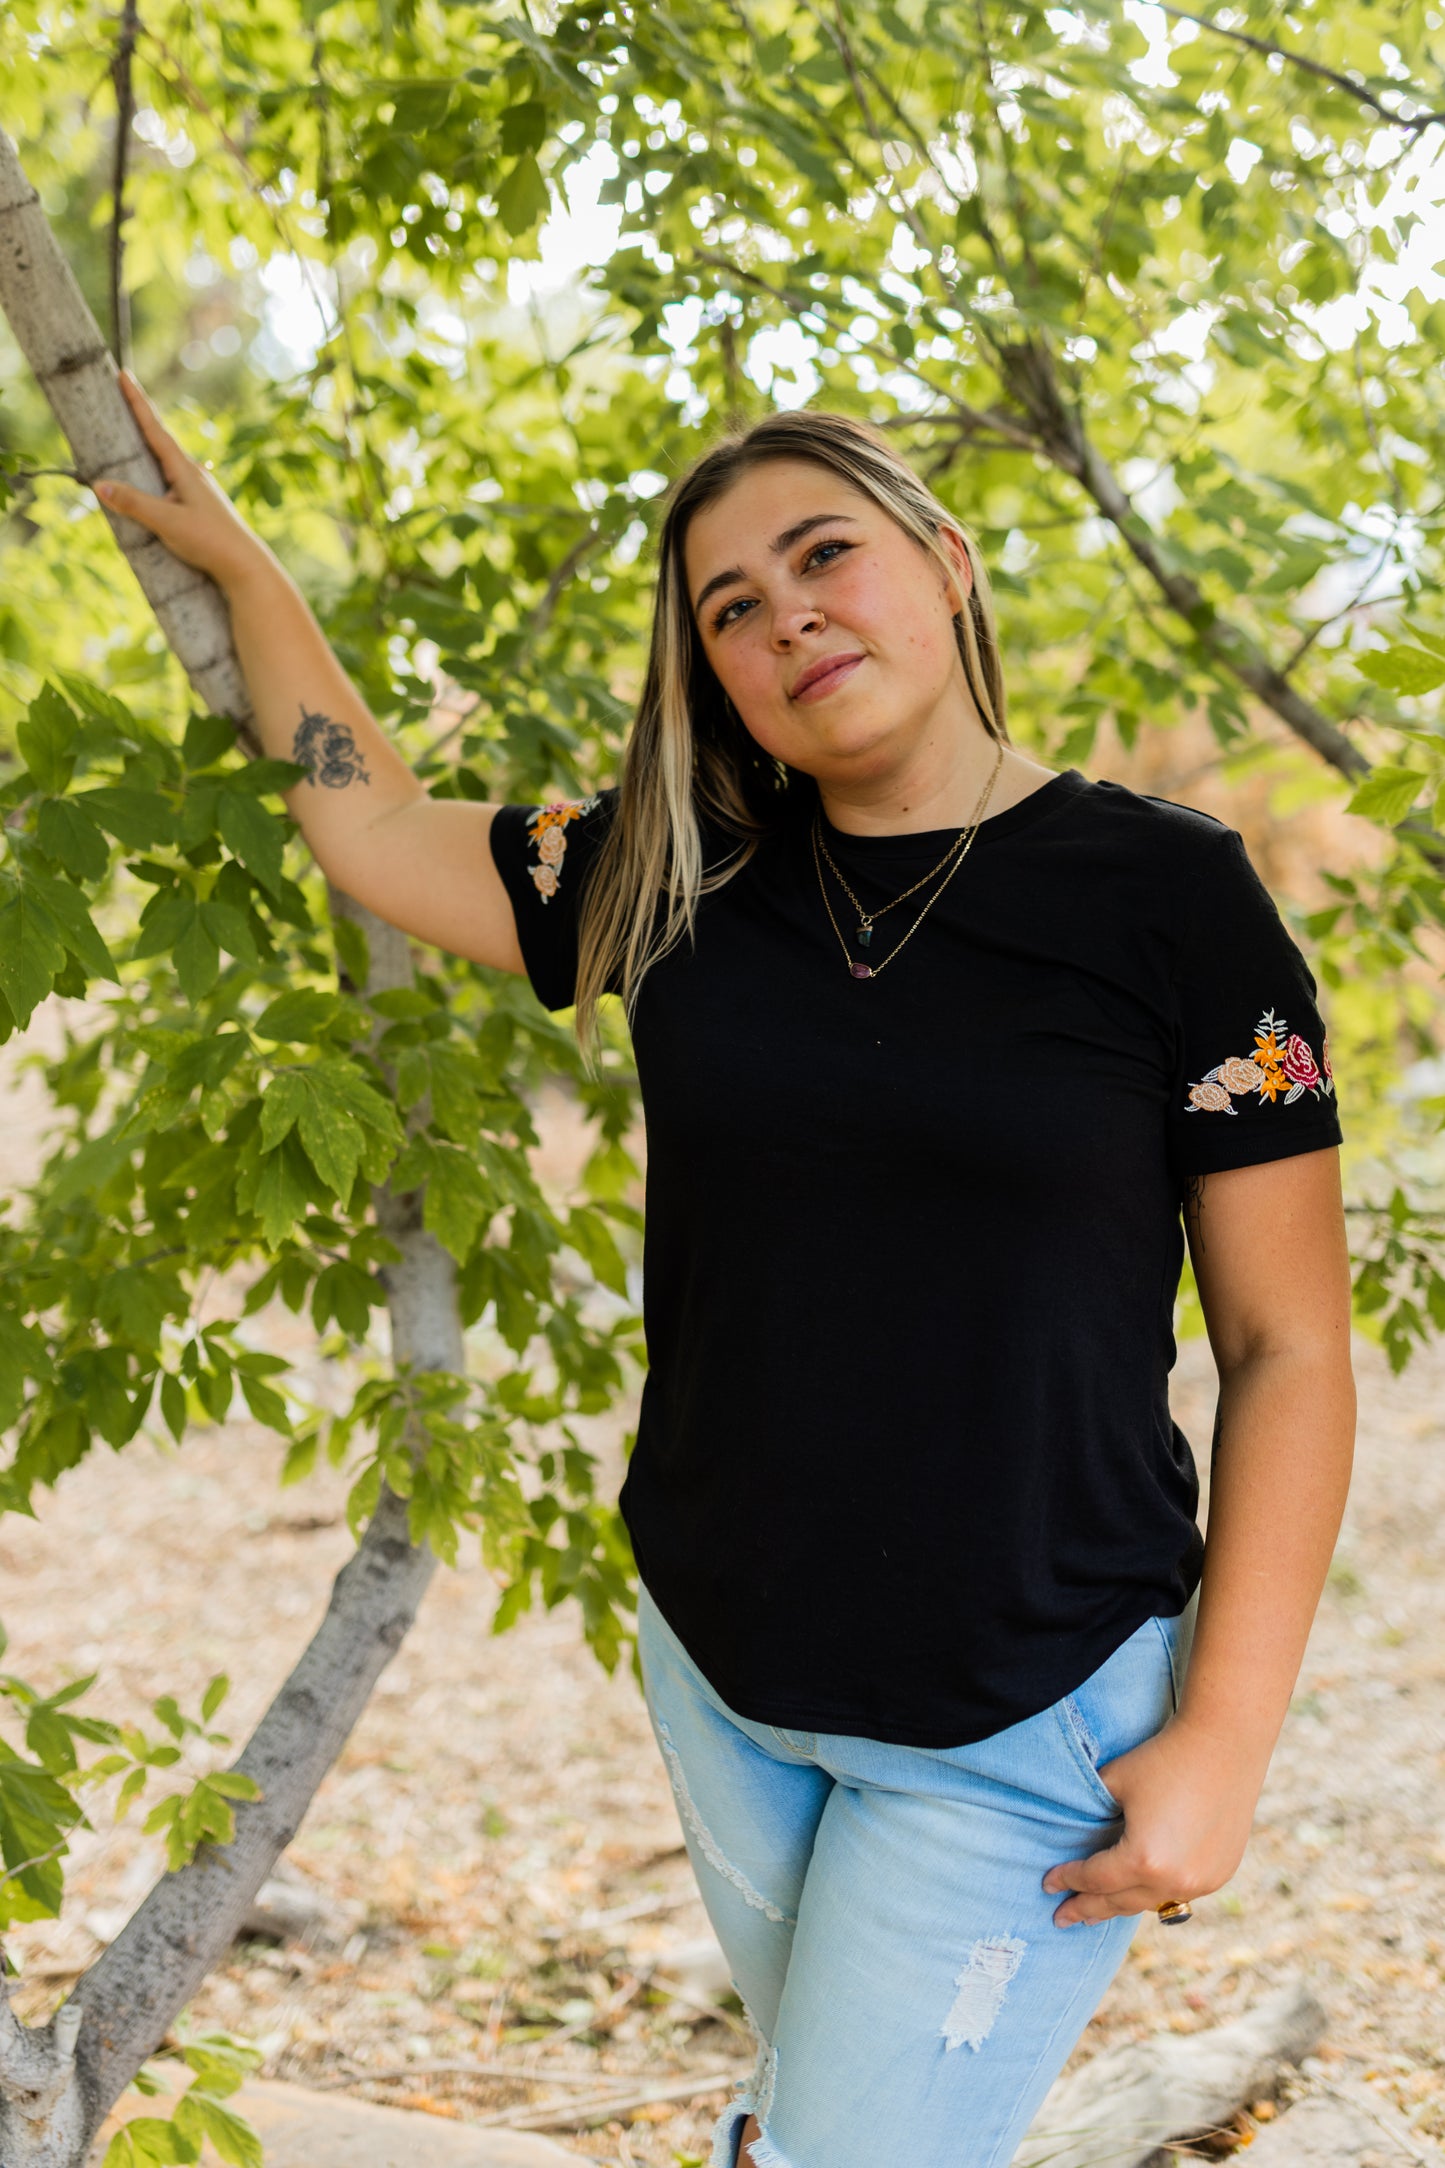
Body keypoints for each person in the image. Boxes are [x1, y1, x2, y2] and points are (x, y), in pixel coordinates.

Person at [96, 380, 1356, 2168]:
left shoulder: (1171, 900)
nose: (788, 619)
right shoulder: (676, 877)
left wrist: (1223, 1737)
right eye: (730, 609)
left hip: (1024, 1709)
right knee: (820, 2111)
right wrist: (237, 564)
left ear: (944, 559)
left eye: (822, 555)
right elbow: (370, 824)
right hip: (726, 1672)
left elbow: (1287, 1342)